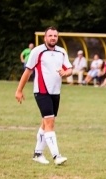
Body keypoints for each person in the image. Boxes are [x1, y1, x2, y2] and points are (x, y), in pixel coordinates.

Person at [14, 26, 72, 165]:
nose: (53, 38)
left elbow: (69, 68)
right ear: (45, 37)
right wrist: (19, 90)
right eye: (50, 35)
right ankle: (56, 156)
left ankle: (37, 154)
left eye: (55, 36)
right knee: (50, 123)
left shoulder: (61, 52)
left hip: (55, 92)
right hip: (41, 91)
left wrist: (66, 73)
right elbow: (27, 72)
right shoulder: (37, 51)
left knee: (45, 123)